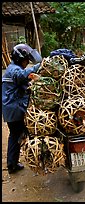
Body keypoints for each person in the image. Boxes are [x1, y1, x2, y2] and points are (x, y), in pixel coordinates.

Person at [2, 43, 42, 174]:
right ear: (20, 59)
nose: (27, 63)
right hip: (14, 110)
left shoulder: (11, 68)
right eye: (26, 60)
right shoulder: (14, 70)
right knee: (22, 133)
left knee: (15, 135)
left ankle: (12, 164)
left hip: (11, 109)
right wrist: (40, 66)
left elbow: (23, 85)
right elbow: (22, 76)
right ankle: (18, 162)